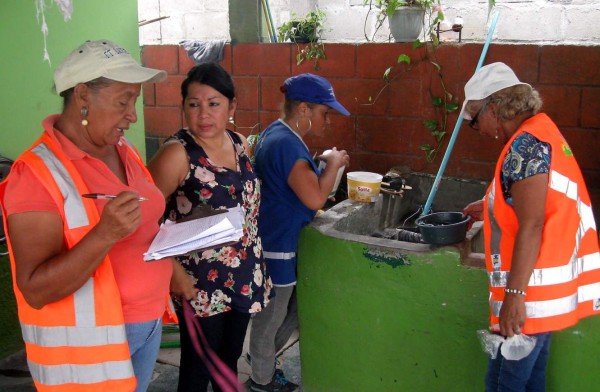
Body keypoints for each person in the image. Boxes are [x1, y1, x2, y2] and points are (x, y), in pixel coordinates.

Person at [0, 39, 174, 391]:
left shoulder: (123, 148)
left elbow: (145, 224)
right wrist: (104, 233)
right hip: (93, 343)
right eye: (124, 101)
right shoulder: (35, 174)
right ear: (82, 97)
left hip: (149, 323)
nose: (133, 115)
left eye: (135, 101)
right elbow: (35, 288)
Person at [461, 62, 600, 391]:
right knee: (530, 381)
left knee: (502, 385)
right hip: (543, 294)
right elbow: (540, 201)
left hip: (529, 298)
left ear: (494, 108)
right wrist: (491, 206)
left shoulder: (524, 148)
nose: (476, 129)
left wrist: (514, 296)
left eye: (474, 120)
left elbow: (533, 223)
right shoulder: (541, 132)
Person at [147, 62, 272, 392]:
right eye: (194, 104)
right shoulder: (177, 154)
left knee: (229, 359)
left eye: (213, 103)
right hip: (201, 279)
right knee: (199, 366)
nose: (203, 114)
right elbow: (144, 219)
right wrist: (173, 270)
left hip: (244, 271)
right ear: (184, 106)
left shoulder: (239, 143)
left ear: (232, 107)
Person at [248, 73, 351, 392]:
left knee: (289, 311)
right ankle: (261, 379)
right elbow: (314, 197)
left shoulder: (277, 134)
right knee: (273, 315)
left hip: (277, 237)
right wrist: (332, 163)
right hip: (277, 244)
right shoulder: (287, 144)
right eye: (325, 112)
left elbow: (296, 187)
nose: (328, 120)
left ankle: (262, 358)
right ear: (304, 109)